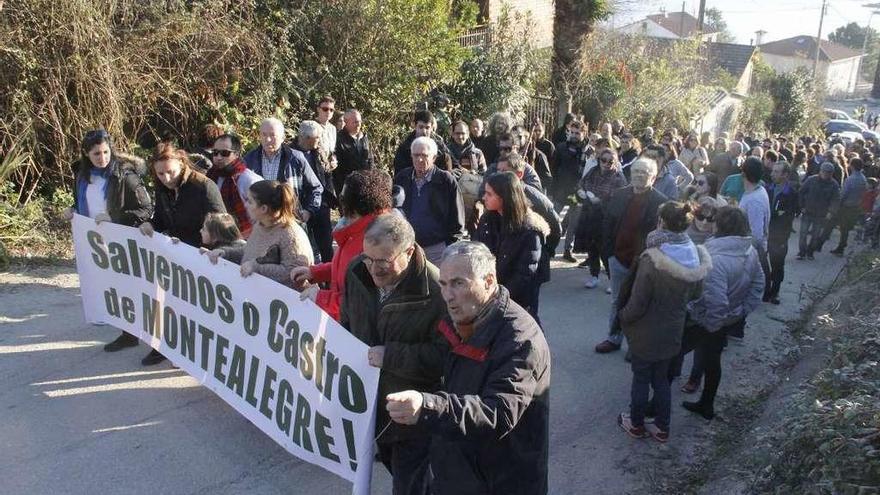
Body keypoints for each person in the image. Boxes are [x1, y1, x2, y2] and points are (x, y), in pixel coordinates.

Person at [385, 241, 550, 495]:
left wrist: (427, 407)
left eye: (458, 283)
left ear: (488, 281)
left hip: (499, 483)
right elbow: (433, 359)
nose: (448, 296)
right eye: (443, 284)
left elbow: (497, 414)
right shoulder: (460, 320)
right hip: (457, 474)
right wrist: (388, 356)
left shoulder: (520, 339)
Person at [339, 214, 449, 495]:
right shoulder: (356, 271)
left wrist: (391, 356)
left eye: (383, 262)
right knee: (397, 469)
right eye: (368, 258)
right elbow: (348, 324)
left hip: (411, 417)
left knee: (409, 486)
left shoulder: (437, 292)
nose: (373, 270)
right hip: (371, 410)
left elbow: (444, 359)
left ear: (409, 252)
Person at [617, 202, 712, 441]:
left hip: (646, 331)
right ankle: (662, 427)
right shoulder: (694, 254)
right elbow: (697, 294)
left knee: (640, 378)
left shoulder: (653, 259)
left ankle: (636, 423)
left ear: (661, 222)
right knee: (661, 379)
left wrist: (623, 317)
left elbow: (638, 303)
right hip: (674, 329)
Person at [64, 129, 154, 353]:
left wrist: (115, 219)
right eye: (96, 154)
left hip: (121, 239)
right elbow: (84, 202)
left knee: (130, 287)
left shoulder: (125, 174)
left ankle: (147, 336)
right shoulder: (81, 175)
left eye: (106, 152)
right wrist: (73, 210)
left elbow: (146, 208)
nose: (102, 158)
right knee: (110, 286)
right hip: (94, 241)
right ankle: (128, 333)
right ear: (86, 154)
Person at [138, 143, 226, 365]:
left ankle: (200, 354)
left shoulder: (204, 187)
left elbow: (222, 225)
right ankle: (163, 346)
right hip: (174, 256)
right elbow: (161, 217)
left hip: (201, 256)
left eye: (171, 172)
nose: (166, 177)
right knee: (164, 302)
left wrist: (210, 251)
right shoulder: (162, 187)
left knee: (197, 311)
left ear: (181, 163)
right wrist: (150, 224)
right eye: (160, 173)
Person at [677, 207, 764, 420]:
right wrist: (739, 312)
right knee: (712, 363)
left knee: (672, 356)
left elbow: (716, 300)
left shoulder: (714, 258)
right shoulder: (749, 250)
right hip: (725, 319)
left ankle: (654, 408)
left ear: (721, 226)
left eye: (714, 221)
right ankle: (707, 405)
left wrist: (712, 324)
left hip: (706, 320)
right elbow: (758, 285)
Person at [291, 169, 392, 322]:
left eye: (344, 196)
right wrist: (315, 272)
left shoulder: (373, 243)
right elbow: (346, 269)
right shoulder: (358, 231)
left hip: (357, 334)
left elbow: (360, 305)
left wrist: (320, 298)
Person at [595, 158, 668, 354]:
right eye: (636, 171)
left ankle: (636, 346)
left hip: (644, 262)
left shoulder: (661, 203)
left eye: (644, 172)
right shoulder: (619, 195)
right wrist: (608, 254)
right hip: (617, 258)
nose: (638, 175)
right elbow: (607, 225)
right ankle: (614, 338)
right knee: (618, 300)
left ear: (653, 177)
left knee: (640, 303)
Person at [206, 179, 313, 287]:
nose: (245, 205)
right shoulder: (260, 225)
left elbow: (294, 273)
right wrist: (226, 253)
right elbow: (251, 251)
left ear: (263, 208)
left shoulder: (291, 235)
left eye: (250, 201)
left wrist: (257, 268)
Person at [475, 172, 551, 323]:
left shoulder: (530, 231)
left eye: (489, 194)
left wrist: (498, 297)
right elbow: (476, 250)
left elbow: (525, 274)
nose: (484, 198)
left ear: (504, 197)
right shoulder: (487, 220)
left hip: (518, 302)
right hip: (489, 295)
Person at [393, 136, 465, 265]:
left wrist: (450, 248)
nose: (419, 159)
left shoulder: (446, 181)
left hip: (437, 249)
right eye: (416, 155)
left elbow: (457, 219)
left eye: (424, 155)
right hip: (407, 247)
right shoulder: (402, 178)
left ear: (434, 157)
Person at [243, 118, 323, 222]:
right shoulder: (249, 160)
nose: (267, 139)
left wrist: (309, 211)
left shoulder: (296, 159)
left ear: (282, 137)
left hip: (290, 220)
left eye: (272, 135)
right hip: (259, 222)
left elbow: (316, 188)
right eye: (264, 134)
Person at [574, 147, 628, 289]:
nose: (606, 163)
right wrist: (581, 191)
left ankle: (612, 280)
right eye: (603, 160)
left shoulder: (618, 177)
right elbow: (582, 182)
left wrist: (601, 200)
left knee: (606, 251)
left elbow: (619, 197)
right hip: (589, 215)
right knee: (592, 248)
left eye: (610, 161)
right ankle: (594, 275)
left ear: (615, 162)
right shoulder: (593, 171)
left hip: (606, 218)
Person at [294, 120, 337, 263]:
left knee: (326, 245)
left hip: (321, 204)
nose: (320, 140)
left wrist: (330, 199)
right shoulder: (290, 154)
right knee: (304, 246)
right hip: (300, 206)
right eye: (317, 137)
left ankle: (329, 277)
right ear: (306, 138)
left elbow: (327, 175)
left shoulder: (319, 151)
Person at [206, 133, 261, 238]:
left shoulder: (249, 179)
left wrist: (240, 237)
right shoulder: (211, 176)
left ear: (236, 154)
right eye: (215, 152)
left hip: (248, 239)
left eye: (225, 153)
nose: (218, 157)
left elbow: (265, 217)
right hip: (218, 237)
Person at [764, 161, 798, 304]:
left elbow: (789, 214)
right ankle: (765, 290)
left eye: (777, 172)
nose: (772, 174)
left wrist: (776, 214)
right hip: (764, 233)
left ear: (785, 175)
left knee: (777, 265)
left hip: (779, 236)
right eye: (773, 171)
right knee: (761, 264)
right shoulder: (767, 189)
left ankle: (775, 291)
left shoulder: (790, 193)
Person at [739, 157, 771, 305]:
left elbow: (756, 235)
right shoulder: (759, 190)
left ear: (743, 174)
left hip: (751, 250)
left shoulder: (754, 200)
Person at [797, 162, 840, 260]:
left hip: (821, 214)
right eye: (824, 172)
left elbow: (836, 199)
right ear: (820, 171)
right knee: (803, 233)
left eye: (828, 173)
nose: (826, 174)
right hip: (808, 211)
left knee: (815, 235)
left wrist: (831, 212)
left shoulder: (834, 185)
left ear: (831, 173)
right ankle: (801, 252)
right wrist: (801, 206)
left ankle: (810, 252)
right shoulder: (811, 180)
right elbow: (801, 192)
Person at [393, 110, 452, 174]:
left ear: (432, 128)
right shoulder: (405, 148)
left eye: (427, 128)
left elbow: (453, 162)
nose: (424, 131)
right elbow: (400, 173)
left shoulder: (439, 143)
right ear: (415, 126)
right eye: (421, 127)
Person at [829, 157, 867, 255]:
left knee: (844, 228)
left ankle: (841, 247)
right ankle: (842, 245)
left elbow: (843, 194)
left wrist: (837, 204)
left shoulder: (850, 179)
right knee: (846, 227)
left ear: (852, 166)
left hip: (847, 206)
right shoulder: (863, 178)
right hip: (856, 206)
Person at [333, 109, 375, 195]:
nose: (358, 124)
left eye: (359, 121)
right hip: (347, 188)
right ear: (346, 122)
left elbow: (370, 160)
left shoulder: (364, 138)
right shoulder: (338, 140)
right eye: (355, 122)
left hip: (365, 186)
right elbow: (337, 170)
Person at [314, 95, 338, 163]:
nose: (328, 112)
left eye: (331, 110)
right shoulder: (312, 126)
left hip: (327, 169)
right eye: (325, 109)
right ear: (318, 109)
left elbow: (332, 150)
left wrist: (334, 160)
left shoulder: (333, 128)